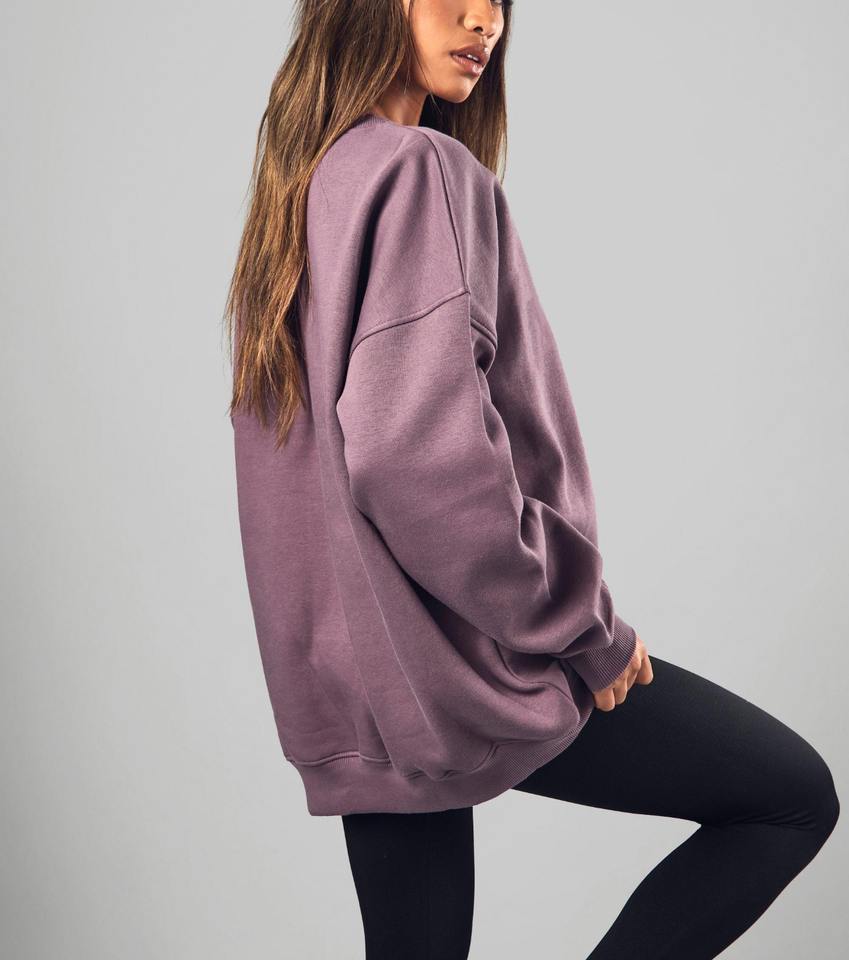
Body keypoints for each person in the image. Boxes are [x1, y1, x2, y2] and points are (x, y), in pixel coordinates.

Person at [225, 3, 839, 958]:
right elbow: (412, 462)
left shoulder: (307, 186)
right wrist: (584, 632)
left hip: (360, 682)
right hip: (463, 660)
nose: (485, 20)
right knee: (788, 799)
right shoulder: (418, 169)